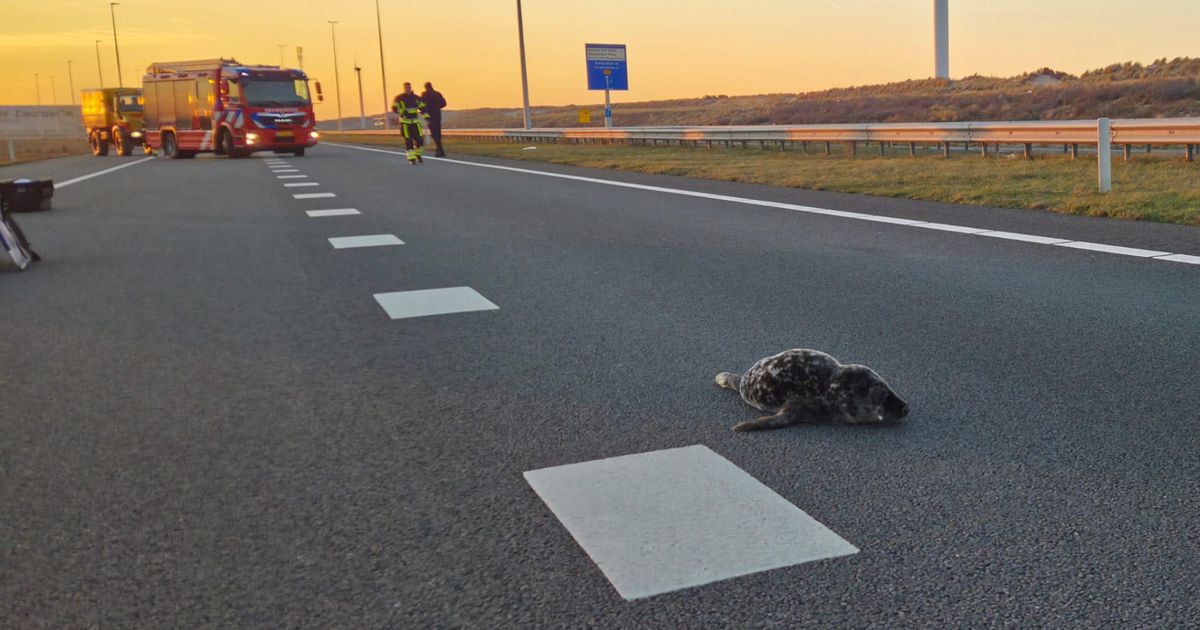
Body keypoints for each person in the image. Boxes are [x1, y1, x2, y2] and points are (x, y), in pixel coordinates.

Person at [391, 82, 427, 164]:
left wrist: (426, 116)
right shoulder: (399, 98)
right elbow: (394, 108)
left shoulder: (416, 98)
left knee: (420, 140)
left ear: (411, 88)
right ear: (404, 88)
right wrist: (402, 112)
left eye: (409, 87)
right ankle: (411, 159)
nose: (408, 89)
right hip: (405, 123)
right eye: (406, 87)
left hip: (415, 122)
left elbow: (422, 107)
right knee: (408, 140)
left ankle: (418, 154)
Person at [420, 82, 448, 157]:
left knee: (434, 133)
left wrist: (424, 113)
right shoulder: (437, 94)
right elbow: (444, 103)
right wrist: (437, 107)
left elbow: (421, 105)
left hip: (429, 116)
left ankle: (439, 150)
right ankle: (440, 150)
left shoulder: (424, 94)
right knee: (438, 132)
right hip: (437, 115)